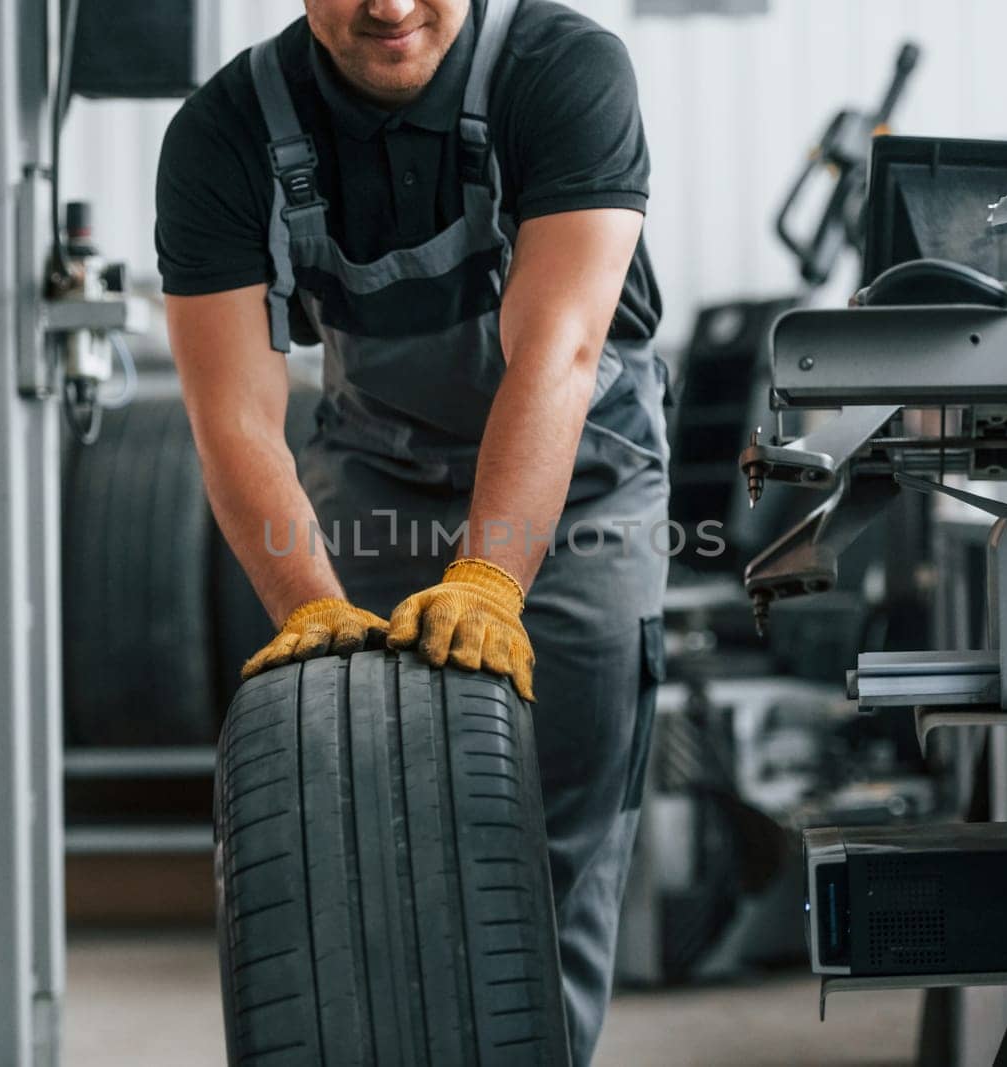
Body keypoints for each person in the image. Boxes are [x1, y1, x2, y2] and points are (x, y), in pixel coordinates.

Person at [156, 1, 669, 1059]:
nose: (387, 6)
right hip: (377, 467)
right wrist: (313, 611)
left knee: (552, 833)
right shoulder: (225, 130)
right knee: (350, 815)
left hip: (577, 484)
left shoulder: (562, 72)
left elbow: (559, 354)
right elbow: (233, 413)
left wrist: (488, 578)